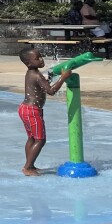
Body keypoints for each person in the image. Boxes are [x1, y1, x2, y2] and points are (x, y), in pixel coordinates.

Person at [18, 47, 72, 176]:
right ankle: (27, 168)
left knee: (32, 138)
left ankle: (30, 165)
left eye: (41, 56)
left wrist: (52, 77)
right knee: (40, 140)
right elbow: (51, 91)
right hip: (32, 110)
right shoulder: (35, 74)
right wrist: (63, 77)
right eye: (37, 58)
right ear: (29, 63)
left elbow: (43, 87)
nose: (41, 59)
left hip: (25, 108)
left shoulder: (32, 73)